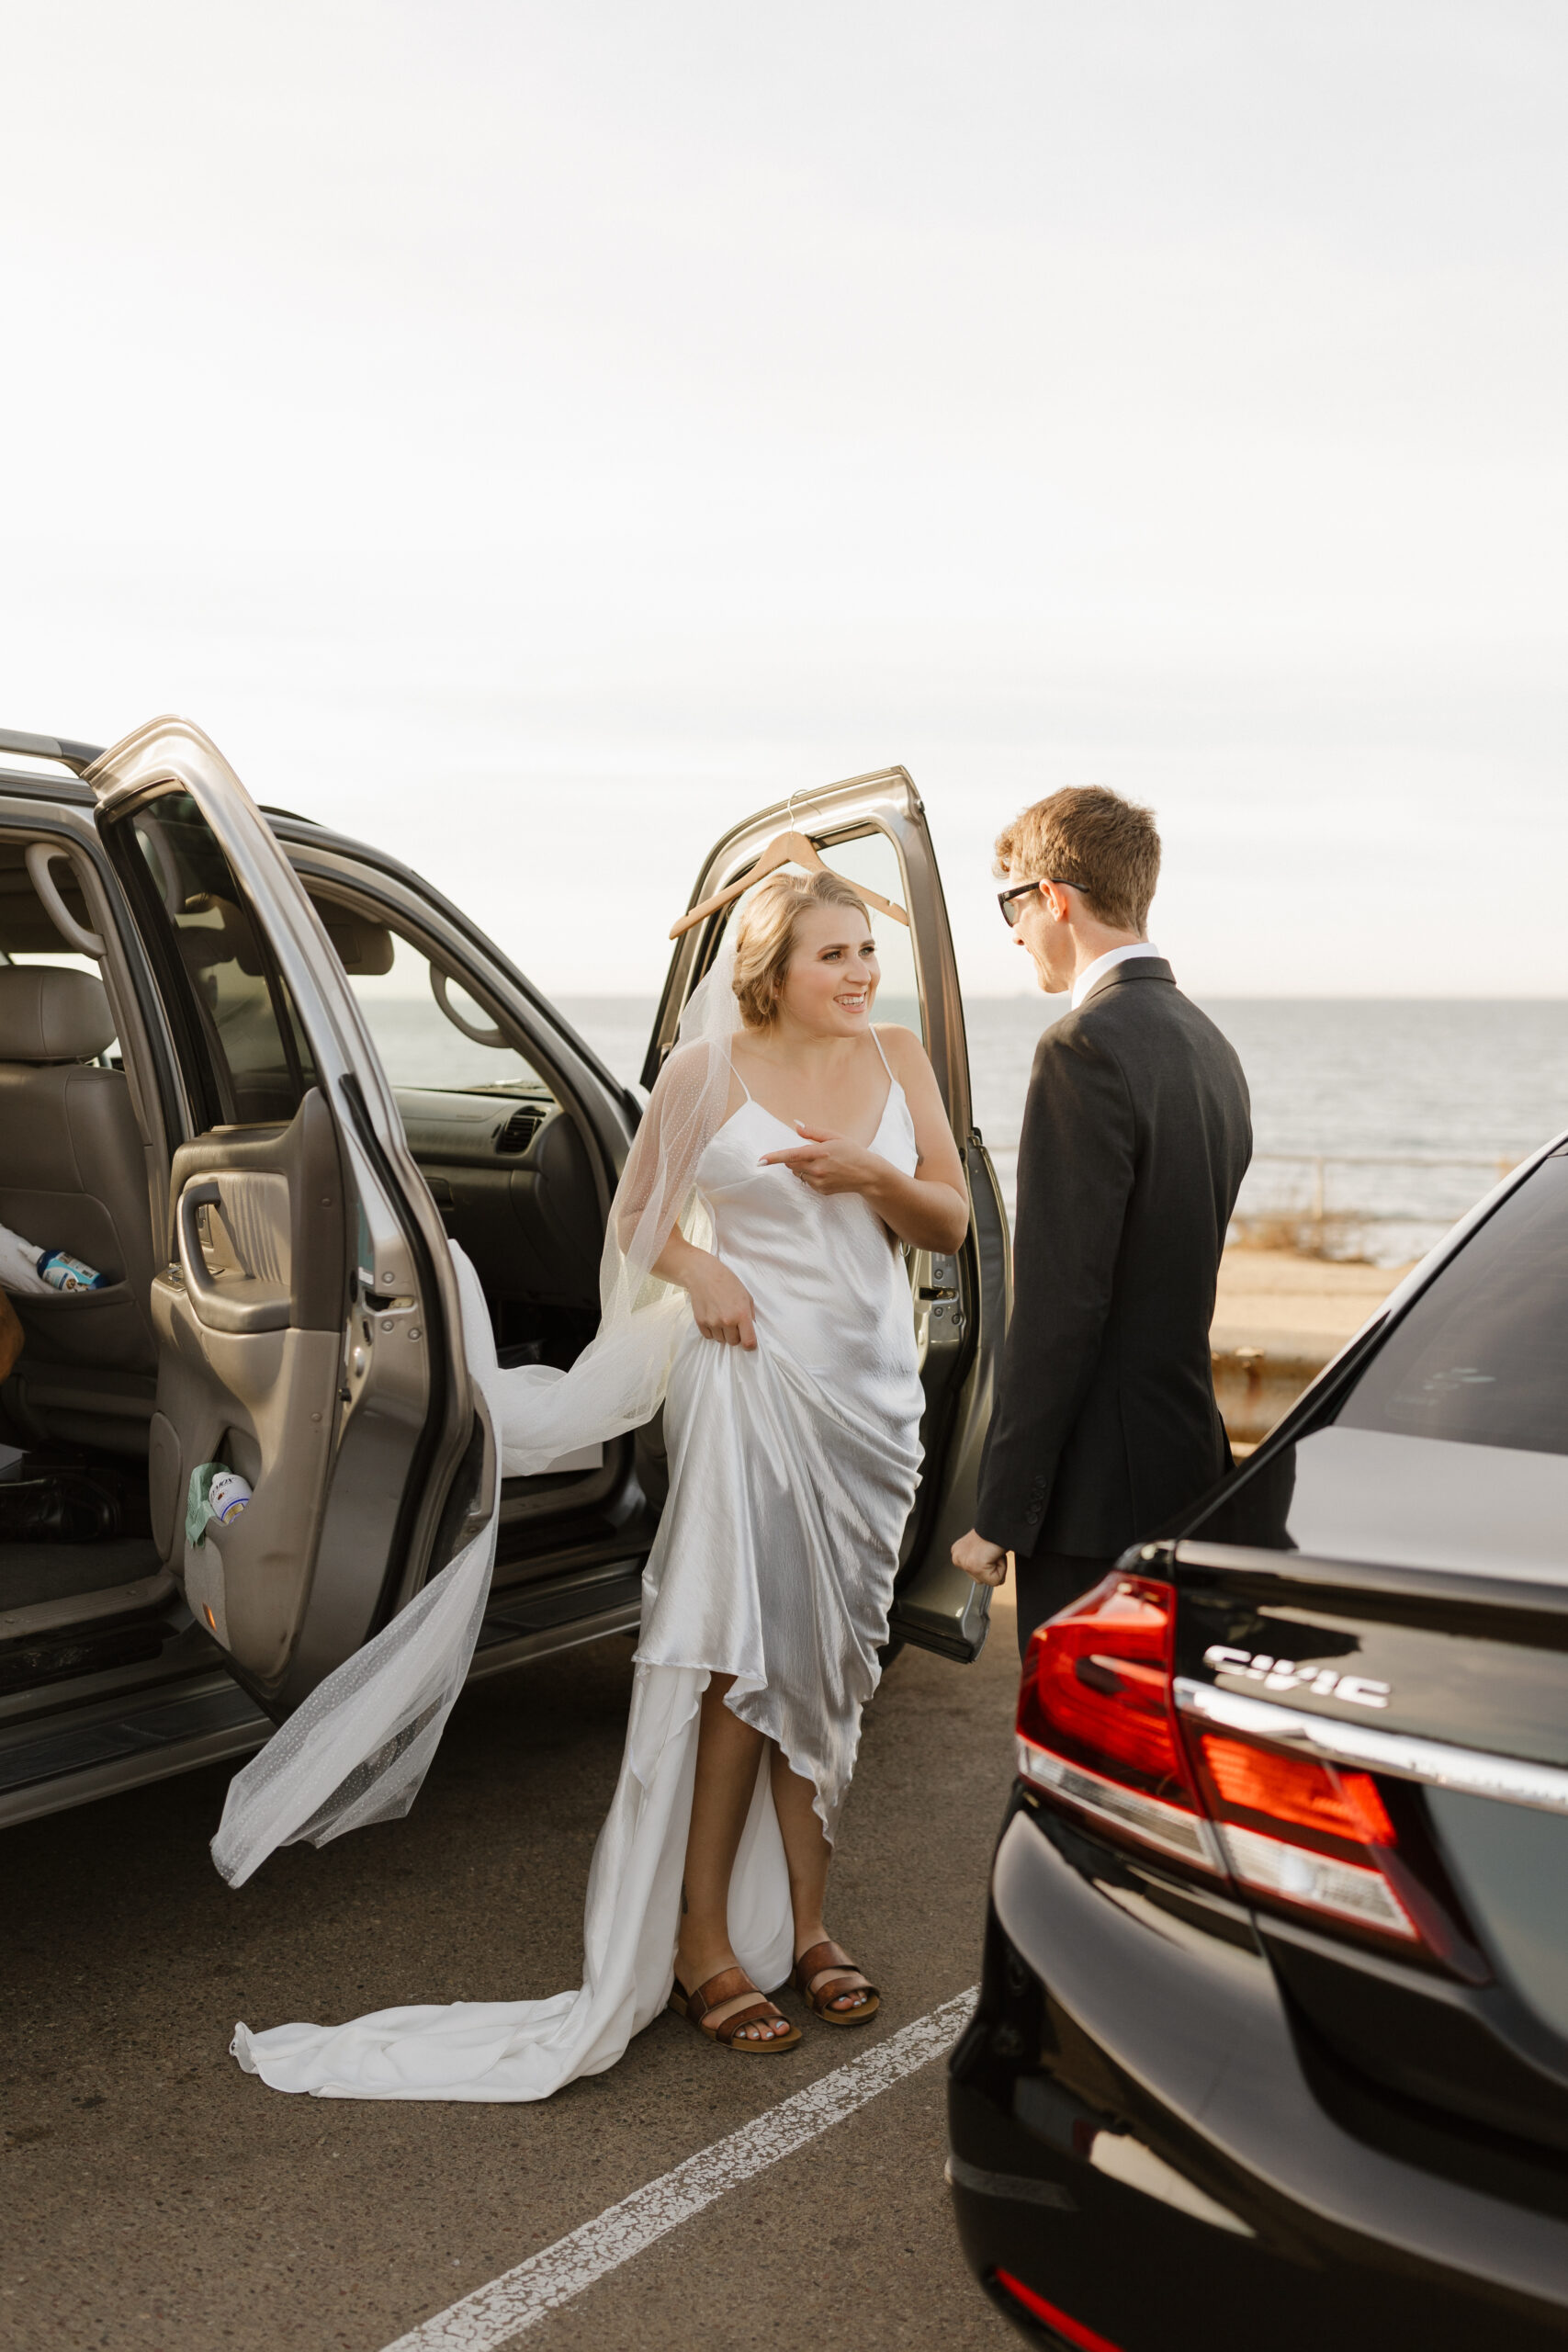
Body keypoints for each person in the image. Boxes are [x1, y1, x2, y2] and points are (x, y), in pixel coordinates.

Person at [225, 867, 969, 2094]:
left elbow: (945, 1222)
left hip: (871, 1401)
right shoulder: (705, 1072)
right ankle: (701, 1943)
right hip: (748, 1380)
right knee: (734, 1658)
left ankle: (811, 1922)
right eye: (830, 957)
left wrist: (876, 1181)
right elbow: (636, 1224)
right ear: (770, 973)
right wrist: (707, 1275)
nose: (857, 977)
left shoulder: (899, 1056)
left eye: (862, 954)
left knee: (834, 1663)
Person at [951, 787, 1251, 1657]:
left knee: (1079, 1763)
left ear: (1053, 897)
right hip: (1186, 1465)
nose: (1011, 933)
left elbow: (1058, 1304)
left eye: (1012, 903)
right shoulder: (1207, 1043)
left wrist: (1003, 1511)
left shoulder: (1080, 1046)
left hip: (1092, 1499)